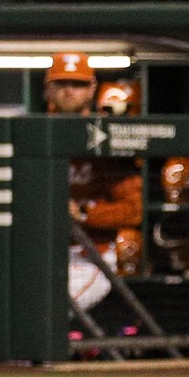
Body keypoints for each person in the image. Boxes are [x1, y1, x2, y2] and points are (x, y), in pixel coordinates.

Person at [45, 53, 143, 313]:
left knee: (48, 311)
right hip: (42, 252)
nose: (68, 91)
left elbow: (133, 209)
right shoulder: (36, 135)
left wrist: (85, 213)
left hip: (90, 254)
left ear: (91, 89)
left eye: (77, 84)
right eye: (61, 84)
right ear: (48, 90)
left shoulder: (106, 138)